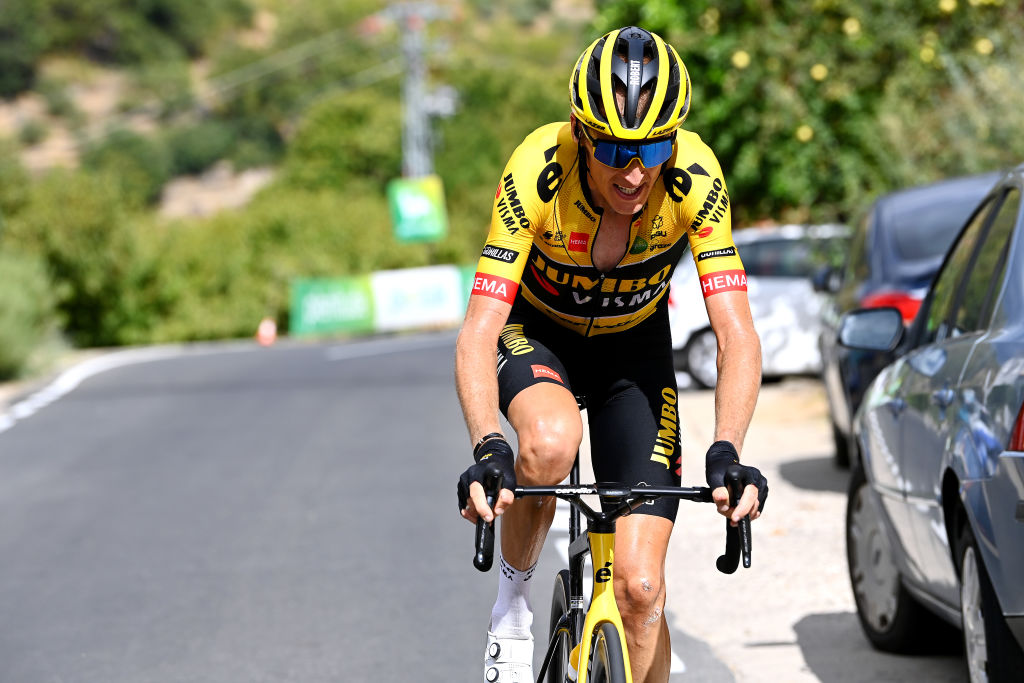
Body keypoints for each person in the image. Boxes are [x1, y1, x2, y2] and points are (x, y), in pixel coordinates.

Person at [455, 26, 769, 683]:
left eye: (652, 148)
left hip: (635, 350)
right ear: (580, 131)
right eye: (615, 149)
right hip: (539, 333)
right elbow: (480, 327)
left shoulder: (695, 177)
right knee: (548, 440)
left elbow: (735, 332)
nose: (634, 171)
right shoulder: (537, 170)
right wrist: (489, 446)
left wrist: (729, 449)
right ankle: (513, 606)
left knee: (642, 590)